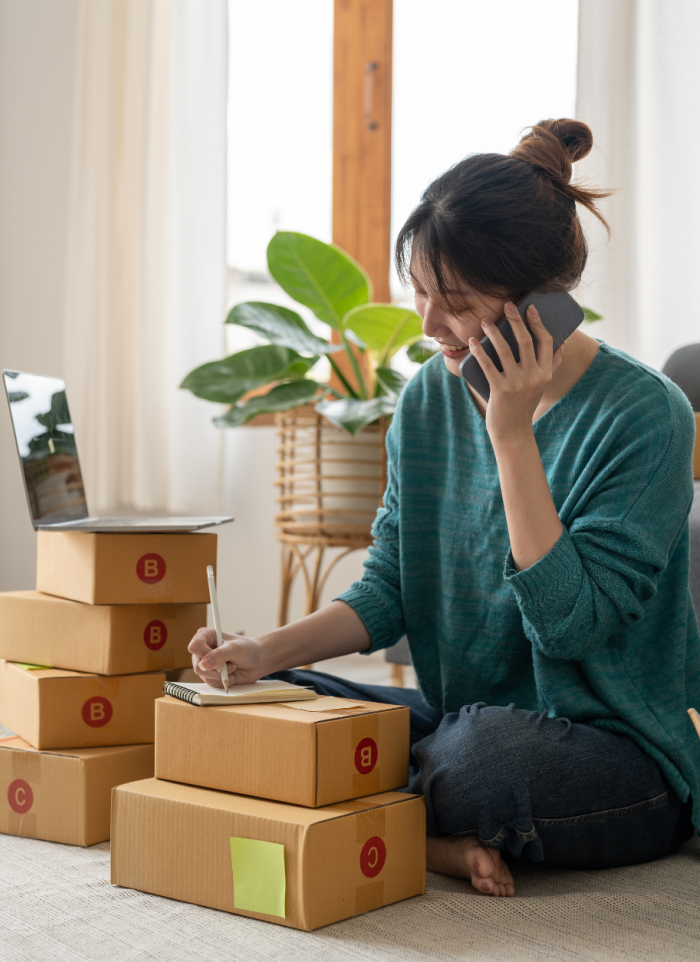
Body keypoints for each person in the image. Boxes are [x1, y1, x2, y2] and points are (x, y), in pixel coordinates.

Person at [190, 119, 700, 898]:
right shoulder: (430, 395)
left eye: (453, 302)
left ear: (542, 303)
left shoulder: (649, 416)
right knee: (243, 708)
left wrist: (511, 435)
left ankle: (391, 816)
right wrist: (264, 652)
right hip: (458, 716)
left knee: (476, 762)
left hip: (610, 754)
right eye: (420, 294)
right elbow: (389, 589)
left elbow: (568, 627)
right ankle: (430, 841)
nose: (429, 327)